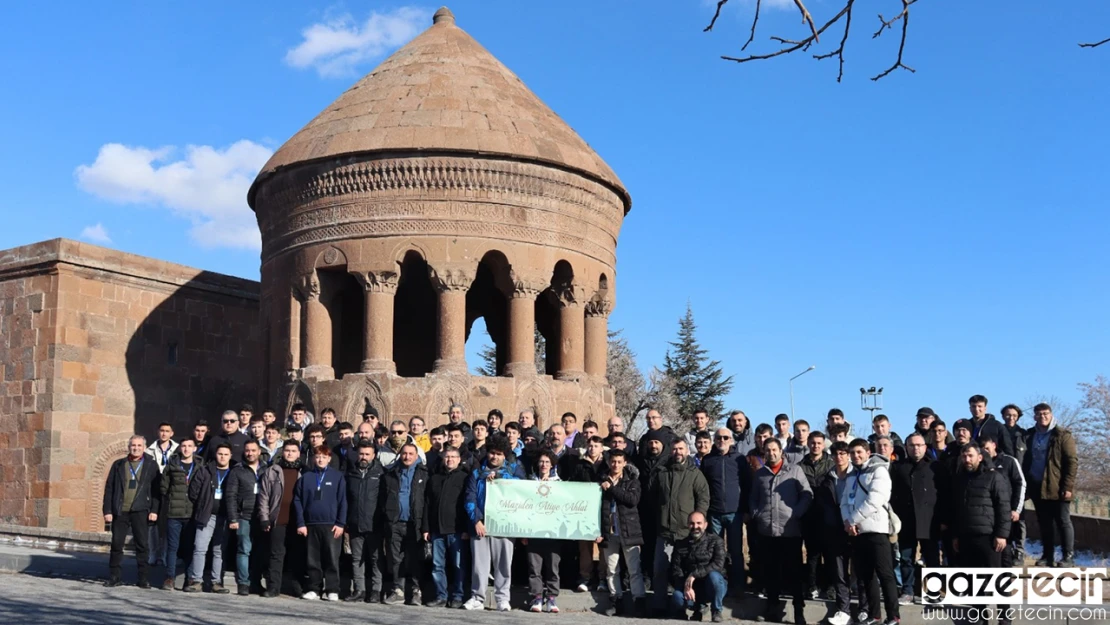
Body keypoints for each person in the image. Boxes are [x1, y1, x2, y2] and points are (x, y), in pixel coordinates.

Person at [749, 437, 812, 624]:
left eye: (774, 449)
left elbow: (807, 494)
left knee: (794, 574)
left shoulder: (794, 471)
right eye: (768, 450)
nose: (771, 453)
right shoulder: (760, 474)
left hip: (789, 531)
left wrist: (796, 513)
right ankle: (772, 608)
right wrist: (757, 514)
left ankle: (798, 611)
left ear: (781, 450)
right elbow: (753, 498)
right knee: (771, 573)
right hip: (767, 531)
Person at [840, 439, 900, 625]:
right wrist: (847, 522)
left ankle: (894, 616)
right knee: (866, 576)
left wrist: (853, 519)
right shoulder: (851, 475)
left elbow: (875, 500)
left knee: (885, 574)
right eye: (852, 453)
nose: (856, 456)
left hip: (876, 530)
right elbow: (844, 501)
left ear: (867, 452)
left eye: (859, 452)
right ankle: (875, 615)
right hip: (857, 533)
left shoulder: (879, 471)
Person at [951, 443, 1011, 625]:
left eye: (970, 456)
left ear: (979, 457)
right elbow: (957, 509)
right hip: (967, 537)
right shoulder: (960, 479)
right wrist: (956, 535)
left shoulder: (994, 477)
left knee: (997, 580)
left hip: (990, 537)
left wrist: (1002, 534)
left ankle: (1004, 619)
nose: (967, 460)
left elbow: (1003, 507)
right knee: (973, 581)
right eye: (964, 456)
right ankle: (980, 618)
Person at [463, 439, 525, 611]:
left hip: (504, 525)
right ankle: (477, 597)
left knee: (503, 563)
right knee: (479, 564)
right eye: (492, 453)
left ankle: (502, 598)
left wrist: (499, 478)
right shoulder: (477, 472)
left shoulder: (513, 470)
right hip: (481, 525)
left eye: (499, 454)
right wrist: (476, 520)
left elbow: (522, 490)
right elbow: (470, 497)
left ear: (504, 455)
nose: (494, 457)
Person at [650, 439, 710, 611]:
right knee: (660, 570)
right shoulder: (661, 473)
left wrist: (697, 522)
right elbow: (652, 497)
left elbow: (703, 499)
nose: (678, 452)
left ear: (687, 451)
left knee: (689, 570)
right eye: (675, 449)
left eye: (681, 449)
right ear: (671, 451)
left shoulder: (695, 474)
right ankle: (659, 606)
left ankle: (693, 605)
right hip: (665, 532)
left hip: (687, 533)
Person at [1022, 402, 1077, 567]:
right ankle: (1048, 556)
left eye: (1046, 414)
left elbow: (1072, 462)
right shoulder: (1030, 435)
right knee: (1044, 523)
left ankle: (1068, 557)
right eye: (1039, 414)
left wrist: (1067, 487)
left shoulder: (1062, 435)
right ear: (1034, 417)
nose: (1042, 417)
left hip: (1057, 486)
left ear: (1051, 415)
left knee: (1063, 520)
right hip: (1037, 485)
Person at [104, 435, 159, 589]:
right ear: (129, 447)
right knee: (116, 544)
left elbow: (156, 490)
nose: (136, 448)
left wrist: (154, 510)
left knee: (142, 545)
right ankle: (114, 576)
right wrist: (107, 510)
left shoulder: (151, 465)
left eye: (139, 445)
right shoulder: (119, 464)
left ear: (144, 447)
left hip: (140, 510)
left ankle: (143, 578)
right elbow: (109, 488)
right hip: (120, 510)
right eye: (133, 445)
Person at [890, 433, 939, 605]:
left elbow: (942, 493)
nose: (915, 448)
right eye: (911, 445)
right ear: (906, 447)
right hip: (906, 519)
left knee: (931, 557)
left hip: (929, 519)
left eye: (919, 445)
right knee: (906, 557)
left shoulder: (935, 467)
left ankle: (933, 592)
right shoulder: (898, 467)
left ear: (925, 447)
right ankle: (908, 591)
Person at [293, 445, 347, 601]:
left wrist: (341, 523)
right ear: (313, 459)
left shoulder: (337, 477)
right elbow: (298, 501)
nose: (320, 459)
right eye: (317, 457)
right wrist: (301, 523)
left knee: (331, 558)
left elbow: (343, 501)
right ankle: (314, 588)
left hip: (331, 525)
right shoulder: (306, 477)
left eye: (324, 457)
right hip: (310, 524)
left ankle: (332, 589)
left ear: (329, 459)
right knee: (312, 558)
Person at [600, 449, 646, 617]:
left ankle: (639, 601)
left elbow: (632, 500)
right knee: (612, 569)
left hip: (629, 530)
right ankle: (615, 600)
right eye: (613, 461)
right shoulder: (602, 480)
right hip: (609, 530)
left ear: (625, 463)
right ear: (609, 462)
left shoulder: (632, 481)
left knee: (634, 569)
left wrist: (611, 488)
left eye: (619, 462)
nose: (616, 465)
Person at [699, 427, 744, 593]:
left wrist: (745, 509)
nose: (722, 441)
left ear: (731, 440)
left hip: (734, 512)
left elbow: (746, 484)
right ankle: (717, 586)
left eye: (725, 438)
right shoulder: (708, 460)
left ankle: (738, 586)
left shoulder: (739, 459)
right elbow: (703, 487)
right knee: (715, 551)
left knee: (736, 551)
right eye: (719, 438)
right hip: (714, 513)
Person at [382, 443, 429, 606]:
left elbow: (427, 501)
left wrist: (425, 526)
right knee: (396, 559)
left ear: (416, 456)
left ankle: (416, 591)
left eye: (411, 454)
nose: (407, 457)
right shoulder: (391, 473)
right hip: (395, 522)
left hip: (415, 523)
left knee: (415, 559)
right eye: (404, 453)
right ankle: (398, 591)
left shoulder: (424, 473)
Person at [423, 446, 469, 608]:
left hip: (457, 530)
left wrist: (466, 529)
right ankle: (440, 596)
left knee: (458, 565)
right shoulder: (434, 479)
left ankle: (458, 596)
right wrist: (426, 528)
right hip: (437, 530)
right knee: (437, 566)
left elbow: (467, 504)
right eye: (447, 457)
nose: (450, 459)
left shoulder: (465, 478)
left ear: (458, 459)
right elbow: (427, 505)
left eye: (453, 457)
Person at [185, 443, 234, 593]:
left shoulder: (234, 472)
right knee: (200, 548)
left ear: (230, 456)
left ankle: (216, 582)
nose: (223, 457)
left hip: (225, 516)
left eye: (226, 454)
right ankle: (197, 581)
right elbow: (193, 492)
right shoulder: (205, 471)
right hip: (207, 515)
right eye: (220, 454)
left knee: (219, 550)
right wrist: (203, 505)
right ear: (215, 455)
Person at [258, 440, 304, 598]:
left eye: (293, 450)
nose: (290, 453)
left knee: (297, 555)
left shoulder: (303, 472)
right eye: (287, 450)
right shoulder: (273, 471)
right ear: (282, 452)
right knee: (276, 554)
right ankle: (273, 587)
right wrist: (264, 518)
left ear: (299, 453)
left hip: (297, 521)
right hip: (278, 519)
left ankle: (297, 587)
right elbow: (264, 496)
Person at [816, 441, 854, 625]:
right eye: (836, 454)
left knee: (860, 573)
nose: (839, 457)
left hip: (856, 529)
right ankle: (843, 610)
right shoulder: (827, 479)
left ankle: (864, 609)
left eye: (843, 453)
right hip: (834, 530)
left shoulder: (857, 476)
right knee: (839, 573)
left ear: (848, 455)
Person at [344, 439, 385, 603]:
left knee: (376, 559)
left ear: (373, 455)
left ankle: (376, 590)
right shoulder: (350, 473)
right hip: (355, 522)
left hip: (374, 523)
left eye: (367, 454)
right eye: (361, 453)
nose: (364, 457)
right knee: (356, 558)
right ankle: (359, 590)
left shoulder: (380, 474)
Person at [669, 511, 727, 623]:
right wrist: (686, 586)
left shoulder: (716, 541)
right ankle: (697, 608)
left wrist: (694, 575)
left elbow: (718, 565)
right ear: (687, 524)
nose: (695, 527)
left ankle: (716, 611)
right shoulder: (681, 544)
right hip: (692, 589)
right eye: (692, 523)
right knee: (677, 596)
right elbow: (676, 569)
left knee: (714, 577)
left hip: (712, 586)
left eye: (699, 523)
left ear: (705, 525)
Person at [980, 435, 1026, 574]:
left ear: (994, 445)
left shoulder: (1009, 461)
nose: (985, 452)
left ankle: (1005, 584)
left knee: (1004, 549)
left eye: (987, 448)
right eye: (982, 450)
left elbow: (1020, 483)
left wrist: (1016, 509)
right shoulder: (979, 465)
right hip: (986, 516)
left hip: (1006, 513)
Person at [160, 438, 201, 590]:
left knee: (190, 547)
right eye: (183, 446)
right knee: (173, 547)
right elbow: (163, 487)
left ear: (194, 449)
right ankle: (169, 578)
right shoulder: (172, 466)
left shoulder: (199, 466)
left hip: (191, 514)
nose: (186, 449)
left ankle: (189, 579)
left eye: (190, 446)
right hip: (174, 513)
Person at [226, 440, 265, 595]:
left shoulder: (266, 469)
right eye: (247, 450)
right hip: (243, 516)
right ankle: (243, 583)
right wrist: (233, 518)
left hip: (261, 516)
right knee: (244, 550)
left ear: (259, 451)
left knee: (259, 551)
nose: (250, 453)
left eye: (253, 450)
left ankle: (256, 582)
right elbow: (231, 496)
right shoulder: (237, 470)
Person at [525, 450, 563, 612]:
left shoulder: (559, 483)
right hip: (533, 532)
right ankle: (537, 597)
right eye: (541, 462)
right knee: (534, 567)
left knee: (553, 567)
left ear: (552, 465)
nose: (544, 465)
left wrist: (552, 486)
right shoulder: (528, 483)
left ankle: (552, 598)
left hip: (553, 532)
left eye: (547, 462)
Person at [798, 431, 833, 600]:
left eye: (819, 443)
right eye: (813, 443)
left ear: (823, 444)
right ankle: (813, 585)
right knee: (812, 554)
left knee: (830, 553)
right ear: (808, 444)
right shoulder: (800, 466)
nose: (816, 446)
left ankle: (830, 586)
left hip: (829, 516)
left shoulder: (831, 464)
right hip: (809, 515)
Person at [145, 422, 177, 568]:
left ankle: (164, 555)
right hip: (153, 488)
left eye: (167, 431)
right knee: (152, 523)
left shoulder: (177, 450)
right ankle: (153, 553)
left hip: (170, 490)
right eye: (162, 431)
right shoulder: (149, 450)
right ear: (158, 432)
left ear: (172, 433)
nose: (164, 433)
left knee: (166, 524)